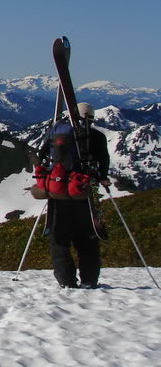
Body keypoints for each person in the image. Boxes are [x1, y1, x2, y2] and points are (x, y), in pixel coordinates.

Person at [42, 102, 111, 289]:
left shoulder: (57, 132)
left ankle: (66, 281)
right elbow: (103, 161)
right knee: (87, 238)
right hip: (82, 193)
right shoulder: (95, 136)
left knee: (59, 239)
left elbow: (42, 155)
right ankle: (89, 280)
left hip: (58, 193)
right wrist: (102, 178)